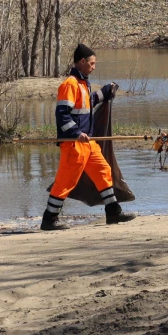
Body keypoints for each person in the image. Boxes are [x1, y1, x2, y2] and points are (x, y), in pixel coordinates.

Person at [41, 43, 137, 231]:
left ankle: (113, 212)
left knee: (103, 171)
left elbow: (89, 103)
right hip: (74, 144)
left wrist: (105, 92)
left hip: (88, 143)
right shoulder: (69, 84)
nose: (94, 67)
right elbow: (62, 114)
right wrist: (77, 133)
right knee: (65, 181)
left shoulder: (83, 83)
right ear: (82, 61)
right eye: (92, 63)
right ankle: (49, 219)